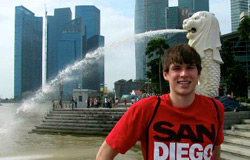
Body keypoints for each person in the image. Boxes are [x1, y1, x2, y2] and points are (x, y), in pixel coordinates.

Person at [96, 44, 224, 160]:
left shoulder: (215, 109)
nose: (184, 74)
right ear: (165, 75)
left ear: (198, 73)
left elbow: (215, 153)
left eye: (190, 68)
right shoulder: (147, 108)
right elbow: (104, 155)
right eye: (177, 68)